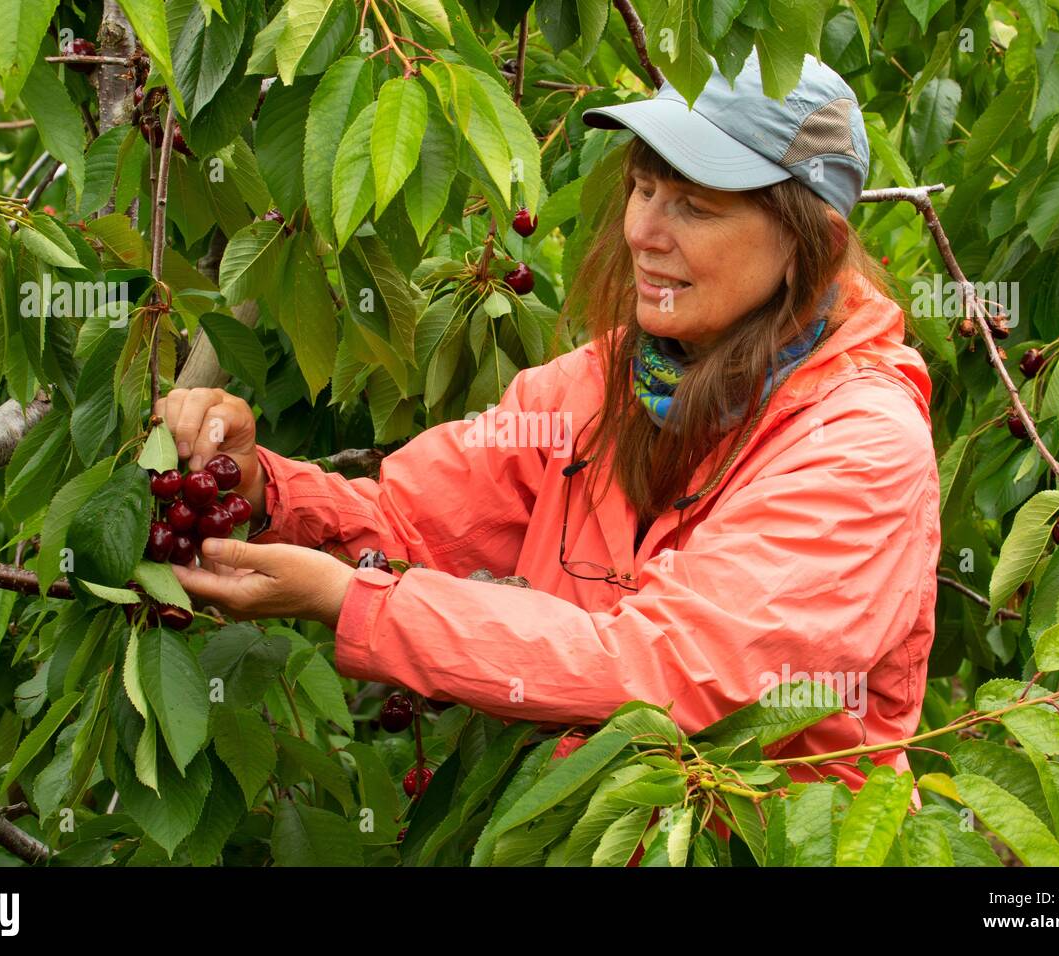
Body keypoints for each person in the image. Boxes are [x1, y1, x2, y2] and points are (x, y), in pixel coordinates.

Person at [157, 48, 941, 795]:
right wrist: (259, 491)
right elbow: (411, 520)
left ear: (815, 244)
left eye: (695, 205)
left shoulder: (861, 446)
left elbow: (664, 671)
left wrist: (355, 602)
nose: (643, 232)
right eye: (642, 188)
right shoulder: (603, 384)